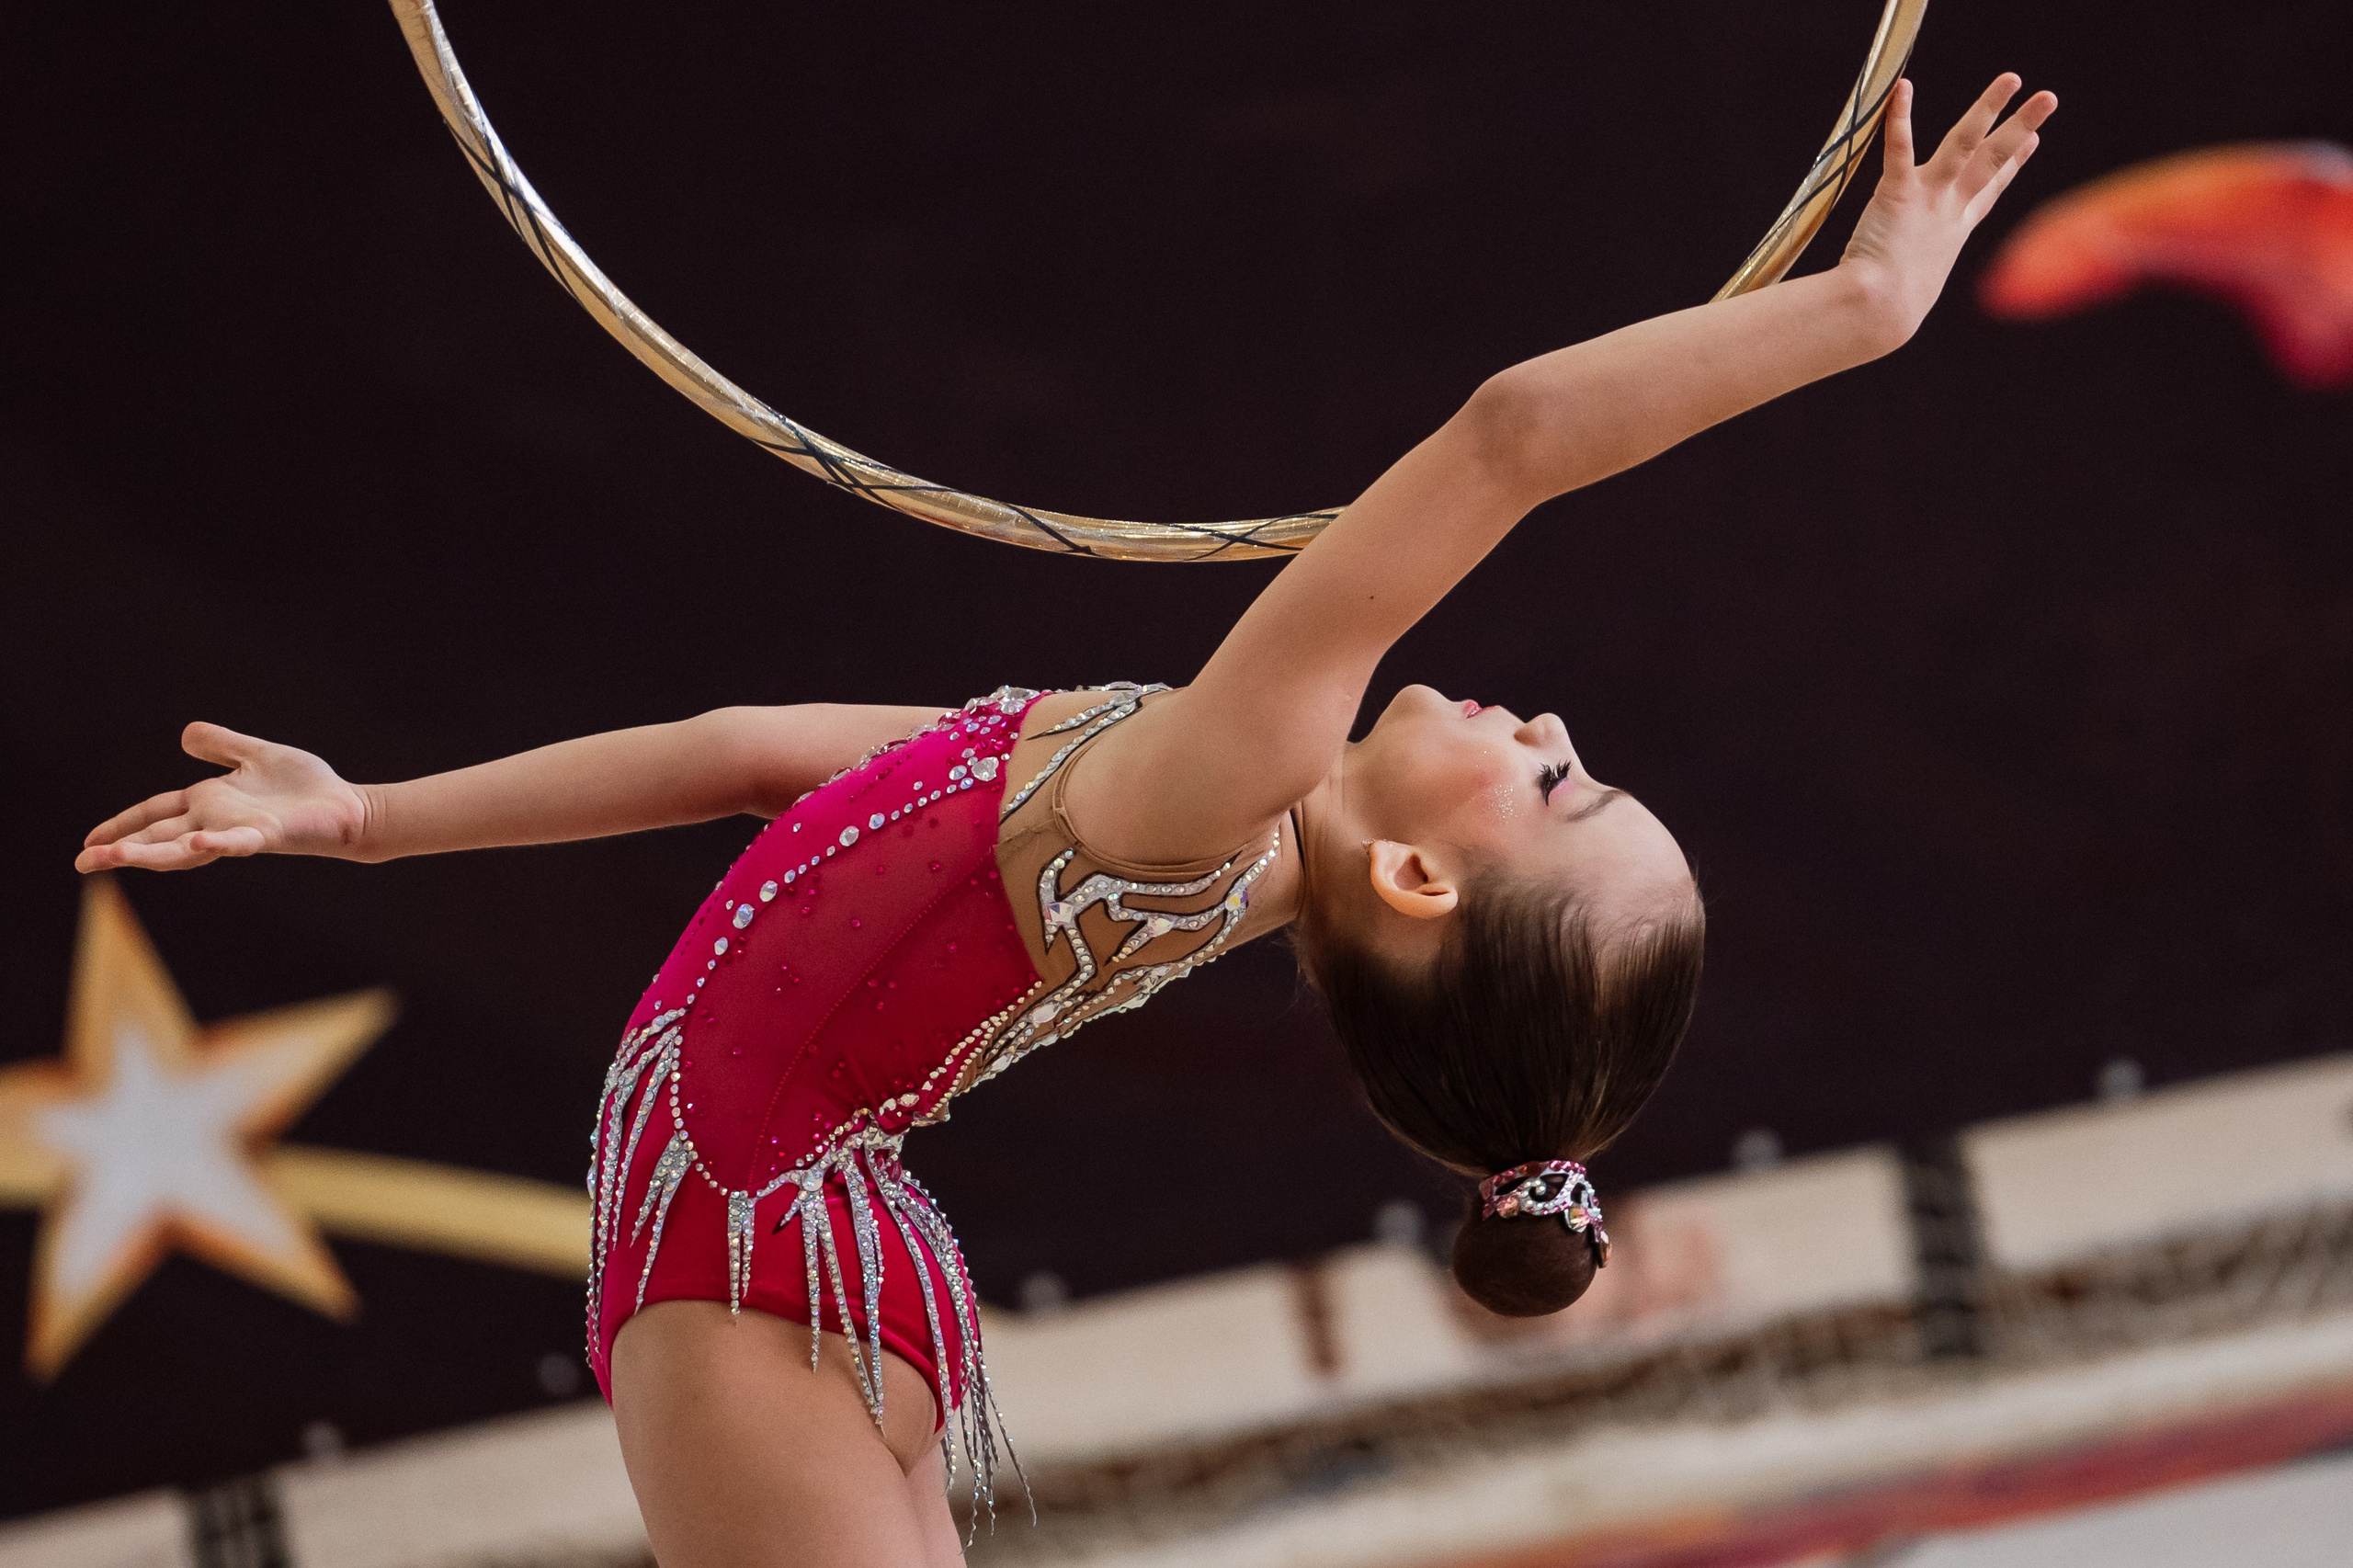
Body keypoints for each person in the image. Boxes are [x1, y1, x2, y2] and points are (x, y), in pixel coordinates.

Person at [77, 74, 2054, 1568]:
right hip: (800, 1245)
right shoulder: (1222, 813)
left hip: (747, 1249)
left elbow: (1505, 441)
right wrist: (364, 826)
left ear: (1427, 872)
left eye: (1557, 781)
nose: (1547, 720)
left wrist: (1860, 313)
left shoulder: (1222, 784)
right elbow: (753, 746)